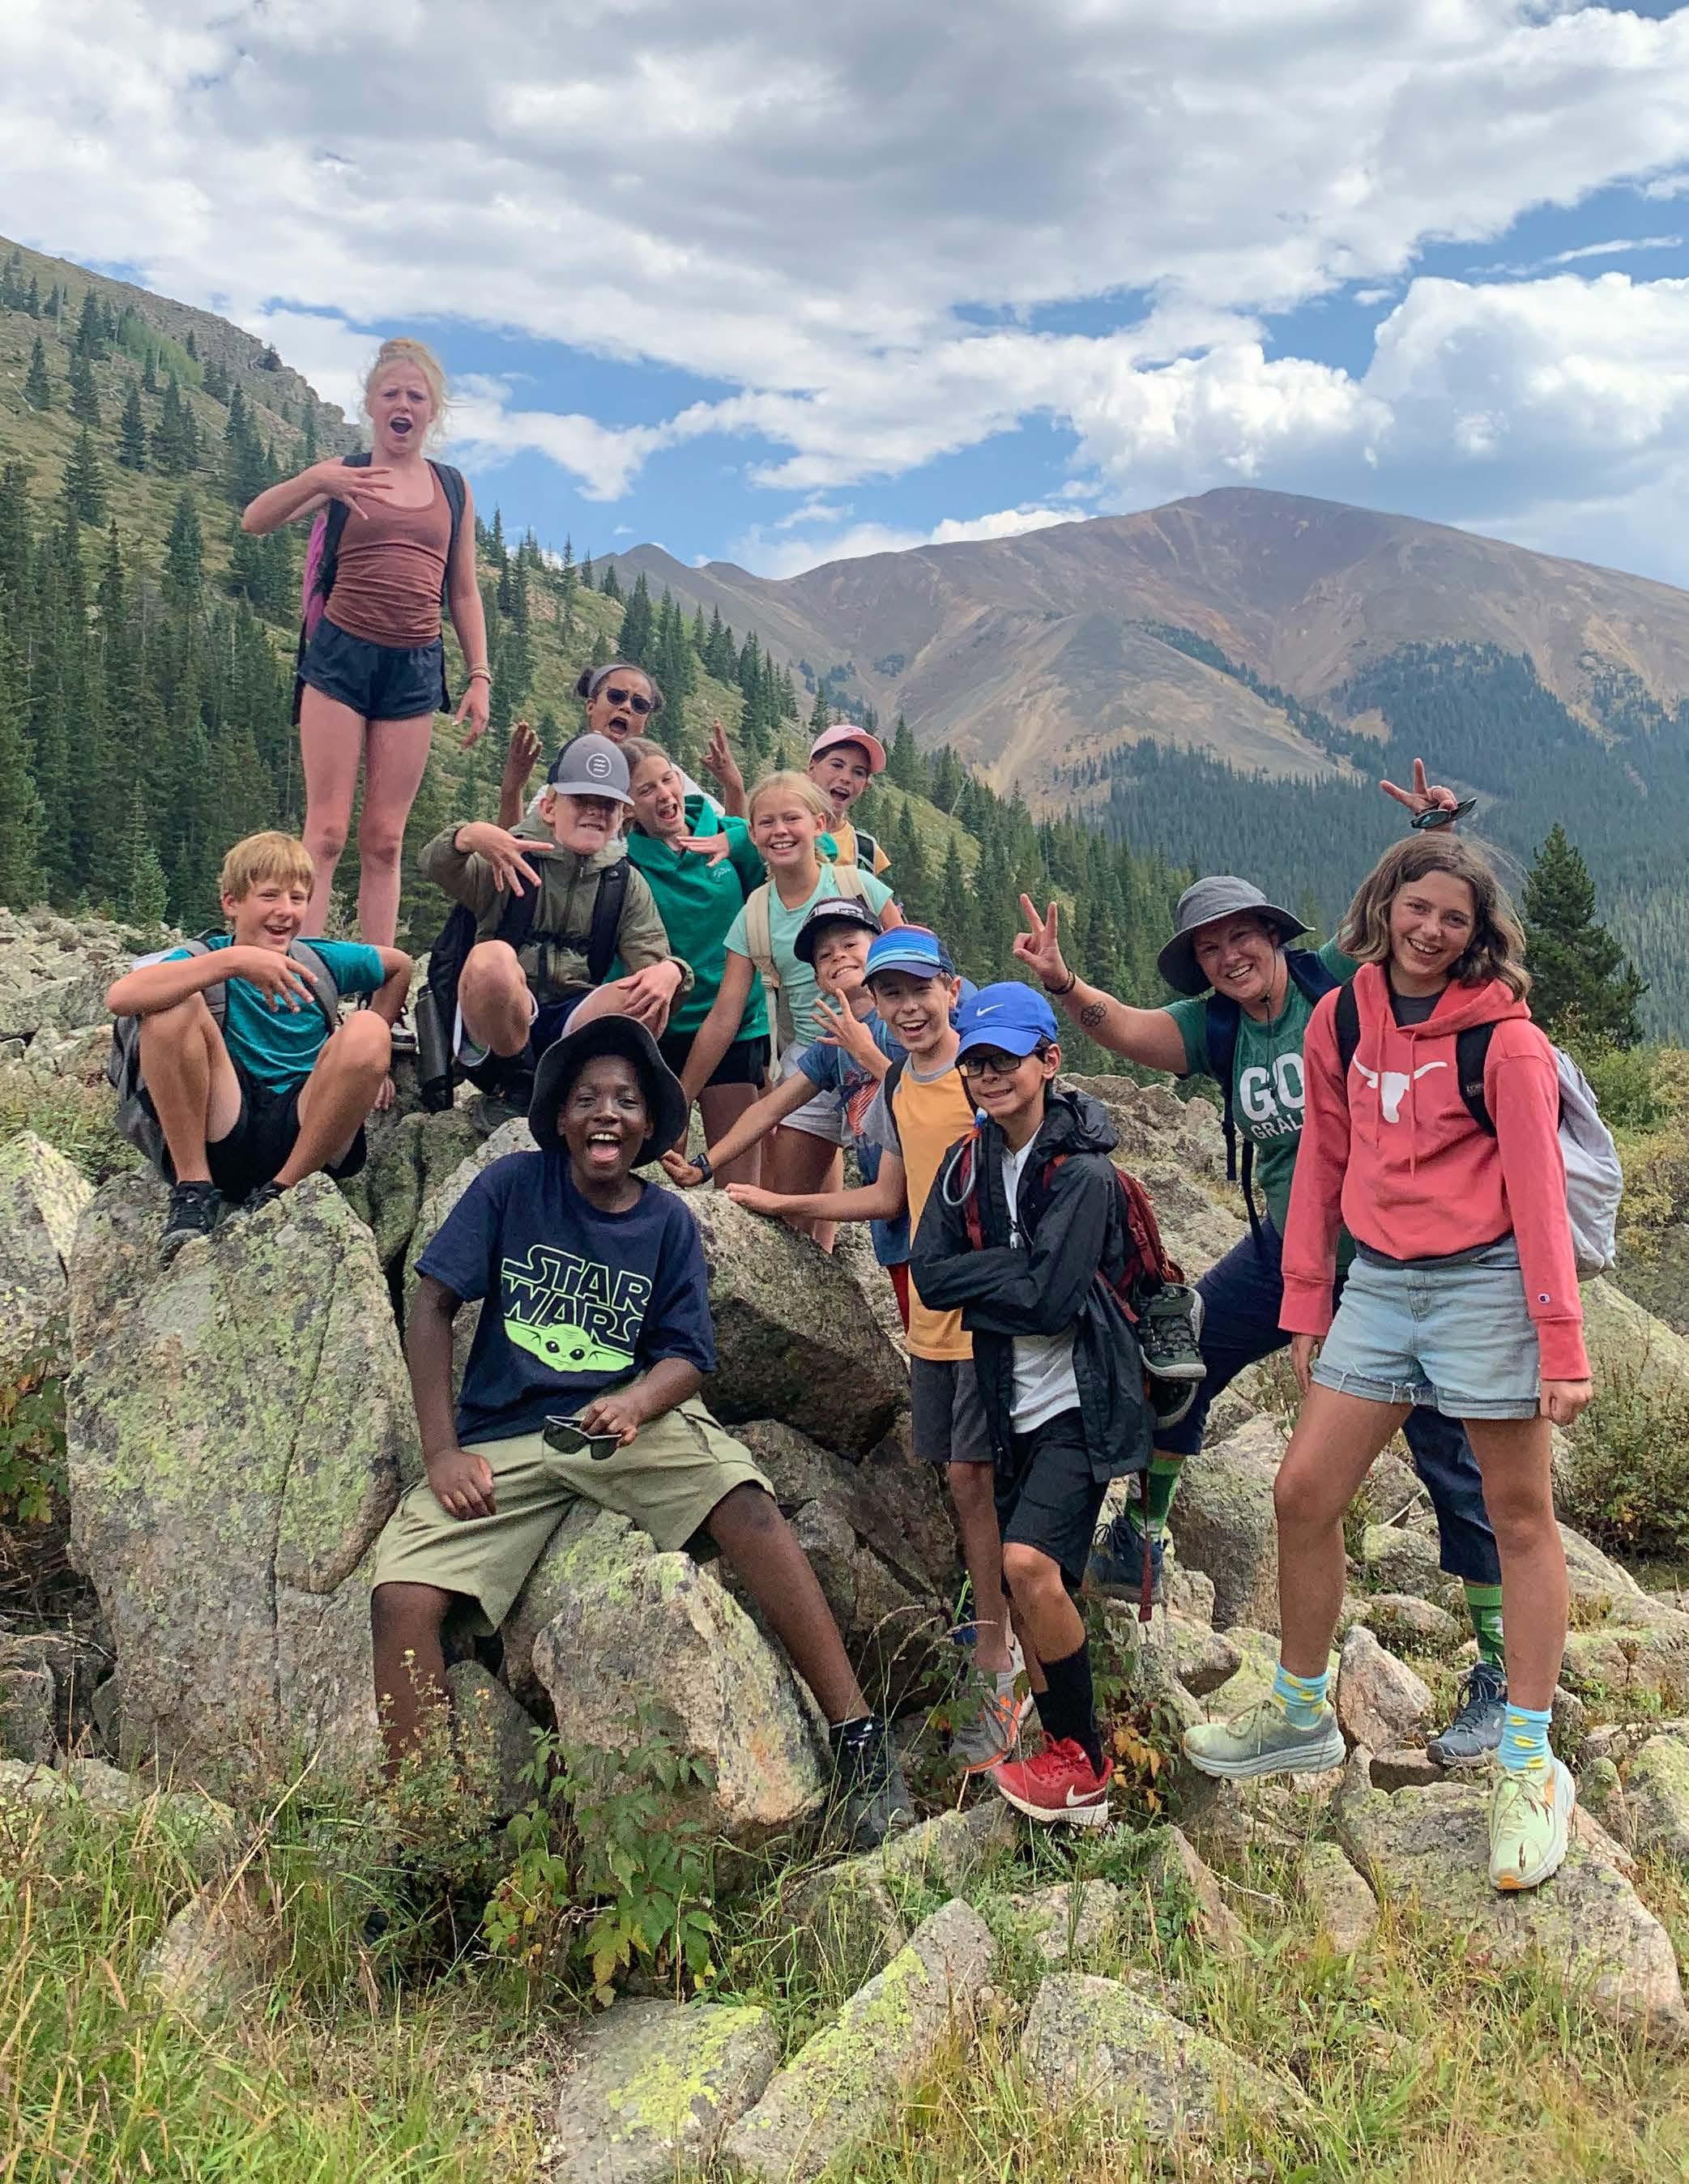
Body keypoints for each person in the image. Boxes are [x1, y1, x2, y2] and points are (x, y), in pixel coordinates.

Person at [1014, 768, 1516, 1766]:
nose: (1230, 954)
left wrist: (1433, 833)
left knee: (1450, 1452)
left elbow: (1413, 921)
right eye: (1211, 947)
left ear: (1275, 936)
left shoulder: (1335, 981)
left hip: (1396, 1256)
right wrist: (1063, 985)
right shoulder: (1219, 1026)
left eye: (1243, 935)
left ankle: (1499, 1669)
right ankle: (1144, 1535)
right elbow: (1129, 1028)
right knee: (1179, 1352)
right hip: (1290, 1245)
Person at [369, 1015, 910, 1849]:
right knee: (402, 1596)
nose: (606, 1114)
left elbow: (688, 1354)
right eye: (587, 1098)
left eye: (625, 1100)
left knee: (746, 1501)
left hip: (622, 1423)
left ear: (651, 1123)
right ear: (560, 1117)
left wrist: (638, 1402)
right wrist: (441, 1452)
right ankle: (426, 1828)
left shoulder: (665, 1221)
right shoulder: (512, 1187)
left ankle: (858, 1737)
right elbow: (432, 1302)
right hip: (507, 1436)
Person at [1184, 834, 1592, 1893]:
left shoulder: (1506, 1042)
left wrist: (1561, 1344)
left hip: (1485, 1286)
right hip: (1377, 1286)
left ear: (1477, 932)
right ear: (1384, 905)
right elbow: (1322, 1157)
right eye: (1417, 909)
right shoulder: (1345, 1016)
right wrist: (1307, 1299)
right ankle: (1299, 1710)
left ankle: (1528, 1760)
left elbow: (1539, 1194)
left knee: (1518, 1516)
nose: (1431, 931)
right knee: (1302, 1490)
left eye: (1455, 918)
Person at [726, 927, 1026, 1774]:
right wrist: (787, 1203)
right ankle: (998, 1635)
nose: (907, 1007)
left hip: (995, 1311)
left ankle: (1000, 1659)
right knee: (962, 1479)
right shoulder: (897, 1086)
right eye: (891, 994)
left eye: (920, 989)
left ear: (953, 989)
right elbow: (891, 1194)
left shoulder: (985, 1075)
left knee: (977, 1475)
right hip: (932, 1313)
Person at [911, 984, 1160, 1824]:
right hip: (1009, 1398)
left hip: (1081, 1399)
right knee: (1031, 1587)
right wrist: (1016, 1273)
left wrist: (989, 1285)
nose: (990, 1076)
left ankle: (1081, 1759)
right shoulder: (968, 1165)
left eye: (1006, 1060)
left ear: (1049, 1061)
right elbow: (929, 1273)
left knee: (1025, 1566)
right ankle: (1067, 1765)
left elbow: (1053, 1303)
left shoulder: (1084, 1173)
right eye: (976, 1062)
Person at [241, 338, 489, 949]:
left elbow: (462, 590)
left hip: (414, 666)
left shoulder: (452, 488)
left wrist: (479, 675)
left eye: (416, 396)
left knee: (384, 840)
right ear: (372, 405)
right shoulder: (343, 474)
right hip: (340, 657)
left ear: (433, 411)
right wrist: (314, 478)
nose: (403, 405)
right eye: (391, 394)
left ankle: (381, 983)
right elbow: (255, 520)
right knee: (325, 832)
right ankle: (303, 971)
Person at [105, 830, 408, 1263]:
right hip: (222, 1124)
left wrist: (374, 1063)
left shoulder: (319, 960)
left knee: (368, 1030)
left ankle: (282, 1192)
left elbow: (399, 967)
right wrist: (233, 962)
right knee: (171, 1004)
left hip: (305, 1130)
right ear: (231, 903)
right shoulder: (206, 956)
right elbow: (122, 997)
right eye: (269, 896)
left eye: (298, 898)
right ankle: (194, 1189)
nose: (286, 910)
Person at [680, 772, 902, 1248]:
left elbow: (913, 956)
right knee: (788, 1214)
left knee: (899, 1188)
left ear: (818, 824)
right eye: (766, 822)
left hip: (887, 1040)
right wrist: (682, 1098)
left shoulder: (857, 885)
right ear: (752, 834)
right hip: (814, 1054)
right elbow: (724, 1017)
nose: (780, 831)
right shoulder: (755, 914)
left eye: (791, 818)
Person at [663, 899, 912, 1320]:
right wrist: (704, 1166)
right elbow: (768, 1111)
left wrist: (782, 1203)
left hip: (933, 1213)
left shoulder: (905, 1024)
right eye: (824, 955)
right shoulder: (831, 1046)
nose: (838, 956)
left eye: (850, 944)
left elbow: (931, 1097)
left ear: (880, 948)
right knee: (922, 1338)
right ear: (816, 978)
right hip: (895, 1232)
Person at [420, 733, 689, 1098]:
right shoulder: (509, 856)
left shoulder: (624, 882)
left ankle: (581, 1087)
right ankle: (515, 1085)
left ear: (619, 817)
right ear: (549, 808)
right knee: (491, 959)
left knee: (649, 994)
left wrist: (672, 971)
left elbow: (651, 962)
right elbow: (435, 865)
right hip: (495, 1029)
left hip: (571, 1022)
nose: (595, 811)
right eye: (581, 800)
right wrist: (466, 836)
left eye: (607, 804)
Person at [611, 738, 774, 1179]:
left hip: (736, 1024)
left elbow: (820, 850)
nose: (665, 795)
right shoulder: (624, 864)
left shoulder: (724, 834)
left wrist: (737, 835)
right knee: (650, 1175)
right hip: (661, 1028)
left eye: (669, 780)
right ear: (627, 807)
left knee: (739, 1182)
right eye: (646, 790)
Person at [808, 721, 892, 877]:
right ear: (812, 768)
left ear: (865, 785)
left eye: (858, 772)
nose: (846, 778)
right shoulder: (780, 832)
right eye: (837, 765)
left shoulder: (867, 853)